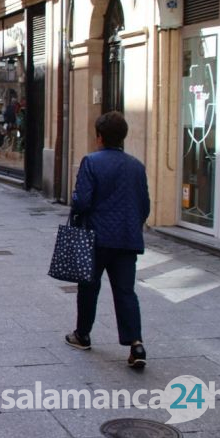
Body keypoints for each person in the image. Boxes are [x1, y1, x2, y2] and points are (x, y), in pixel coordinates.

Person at [65, 111, 151, 369]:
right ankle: (136, 344)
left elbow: (82, 201)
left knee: (89, 287)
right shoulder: (136, 165)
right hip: (126, 238)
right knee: (125, 291)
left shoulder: (91, 162)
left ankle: (82, 334)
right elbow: (144, 206)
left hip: (96, 237)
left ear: (99, 136)